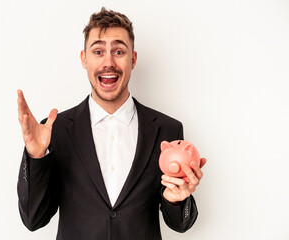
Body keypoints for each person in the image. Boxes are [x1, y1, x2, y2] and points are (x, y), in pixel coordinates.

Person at [17, 7, 206, 240]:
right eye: (98, 51)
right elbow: (33, 219)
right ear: (84, 59)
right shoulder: (56, 130)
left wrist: (178, 200)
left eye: (119, 51)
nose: (108, 62)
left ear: (133, 59)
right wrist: (37, 158)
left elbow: (181, 225)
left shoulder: (167, 130)